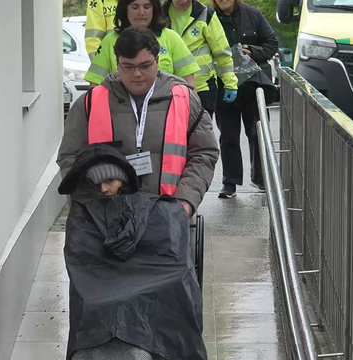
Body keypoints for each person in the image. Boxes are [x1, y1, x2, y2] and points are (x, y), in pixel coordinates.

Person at [58, 143, 212, 360]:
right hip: (102, 285)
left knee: (138, 303)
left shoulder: (155, 210)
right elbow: (82, 258)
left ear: (123, 180)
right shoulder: (83, 216)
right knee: (110, 305)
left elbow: (171, 259)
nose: (105, 190)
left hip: (146, 281)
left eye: (110, 181)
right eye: (98, 183)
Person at [60, 26, 218, 217]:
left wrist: (185, 200)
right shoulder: (90, 103)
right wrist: (92, 195)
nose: (137, 74)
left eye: (145, 66)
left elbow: (204, 152)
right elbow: (69, 157)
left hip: (167, 215)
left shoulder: (184, 99)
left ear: (157, 61)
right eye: (128, 66)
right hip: (104, 217)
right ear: (117, 64)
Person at [213, 0, 279, 198]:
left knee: (257, 133)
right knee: (228, 136)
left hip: (253, 86)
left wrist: (252, 50)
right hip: (225, 85)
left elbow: (272, 44)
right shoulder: (208, 18)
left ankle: (260, 179)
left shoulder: (253, 14)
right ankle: (230, 183)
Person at [85, 0, 199, 89]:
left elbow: (189, 83)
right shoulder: (109, 41)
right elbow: (95, 87)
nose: (141, 13)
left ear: (154, 9)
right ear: (125, 9)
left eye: (146, 7)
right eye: (135, 7)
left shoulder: (172, 38)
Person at [163, 0, 238, 116]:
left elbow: (222, 53)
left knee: (199, 132)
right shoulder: (158, 15)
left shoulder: (206, 14)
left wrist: (230, 83)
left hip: (203, 88)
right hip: (167, 88)